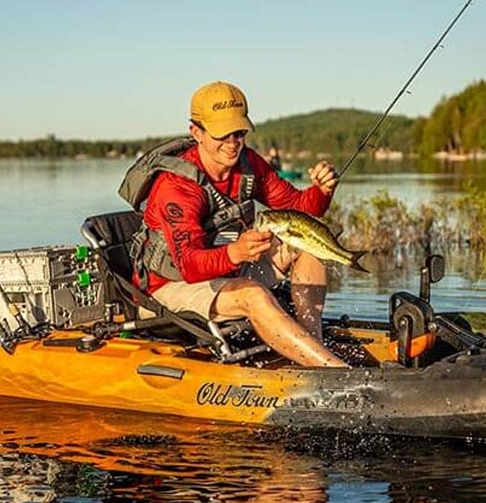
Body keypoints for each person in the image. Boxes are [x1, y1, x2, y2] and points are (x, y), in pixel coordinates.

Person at [125, 80, 347, 368]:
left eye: (239, 132)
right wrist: (236, 253)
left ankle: (310, 343)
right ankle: (335, 373)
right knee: (252, 294)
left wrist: (322, 190)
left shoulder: (248, 164)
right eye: (222, 133)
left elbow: (301, 209)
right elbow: (189, 266)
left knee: (306, 241)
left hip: (228, 269)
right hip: (169, 288)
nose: (232, 142)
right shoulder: (177, 187)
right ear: (197, 132)